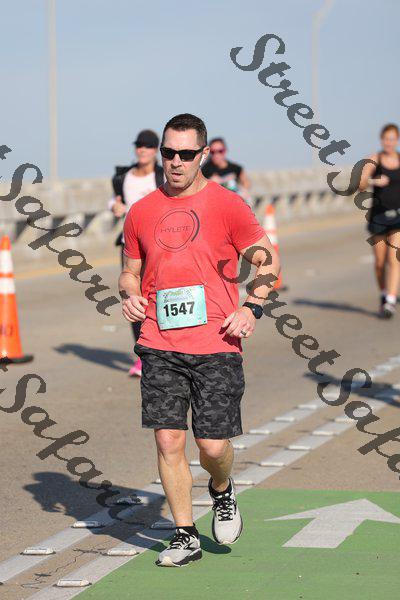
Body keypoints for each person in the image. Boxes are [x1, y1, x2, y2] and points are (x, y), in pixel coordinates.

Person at [119, 113, 279, 567]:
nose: (176, 161)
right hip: (159, 343)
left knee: (211, 446)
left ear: (203, 155)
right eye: (169, 152)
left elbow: (268, 261)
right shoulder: (141, 211)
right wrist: (130, 294)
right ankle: (184, 534)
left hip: (217, 344)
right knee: (169, 441)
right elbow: (129, 272)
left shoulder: (228, 205)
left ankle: (222, 488)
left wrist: (252, 306)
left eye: (186, 154)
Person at [110, 130, 164, 376]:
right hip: (129, 245)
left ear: (155, 150)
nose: (142, 150)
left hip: (159, 245)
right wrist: (115, 206)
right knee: (133, 298)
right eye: (139, 145)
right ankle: (143, 356)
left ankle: (163, 350)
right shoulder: (123, 176)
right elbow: (115, 200)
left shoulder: (162, 175)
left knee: (158, 296)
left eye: (148, 146)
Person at [359, 123, 400, 318]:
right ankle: (384, 294)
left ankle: (391, 300)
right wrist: (375, 181)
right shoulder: (374, 159)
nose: (389, 142)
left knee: (394, 258)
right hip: (378, 218)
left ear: (397, 140)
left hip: (398, 217)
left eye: (392, 139)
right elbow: (360, 185)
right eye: (386, 139)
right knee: (379, 263)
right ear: (381, 140)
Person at [201, 137, 251, 202]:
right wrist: (210, 183)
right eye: (213, 152)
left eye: (220, 151)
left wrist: (243, 190)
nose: (216, 155)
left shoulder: (235, 168)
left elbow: (246, 183)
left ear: (225, 150)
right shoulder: (205, 170)